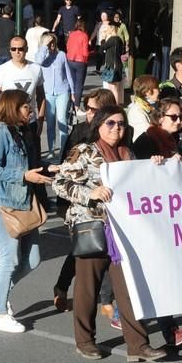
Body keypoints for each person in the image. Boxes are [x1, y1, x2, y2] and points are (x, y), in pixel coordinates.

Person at [53, 105, 167, 361]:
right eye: (111, 123)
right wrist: (89, 194)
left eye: (121, 124)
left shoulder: (128, 153)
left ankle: (138, 345)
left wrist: (158, 165)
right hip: (92, 226)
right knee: (87, 287)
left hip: (124, 230)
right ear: (99, 125)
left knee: (127, 288)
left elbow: (143, 185)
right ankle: (85, 341)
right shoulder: (84, 151)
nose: (117, 128)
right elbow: (60, 183)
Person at [0, 89, 55, 334]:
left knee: (33, 260)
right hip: (2, 205)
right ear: (13, 107)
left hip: (24, 204)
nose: (31, 110)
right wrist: (23, 176)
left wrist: (48, 167)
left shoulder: (22, 131)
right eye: (26, 107)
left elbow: (28, 164)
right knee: (10, 259)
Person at [131, 97, 182, 347]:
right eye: (173, 117)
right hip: (149, 218)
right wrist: (153, 166)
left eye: (180, 116)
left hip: (170, 216)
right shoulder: (146, 141)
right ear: (159, 118)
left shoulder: (170, 141)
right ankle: (168, 329)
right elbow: (135, 175)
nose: (178, 121)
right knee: (156, 273)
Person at [53, 88, 116, 313]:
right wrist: (66, 205)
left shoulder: (120, 133)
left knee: (106, 253)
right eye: (87, 109)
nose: (88, 114)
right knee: (86, 248)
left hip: (113, 209)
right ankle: (98, 299)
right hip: (83, 208)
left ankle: (106, 300)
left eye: (93, 109)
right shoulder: (80, 133)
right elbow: (64, 172)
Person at [0, 35, 45, 146]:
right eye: (13, 49)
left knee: (33, 160)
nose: (17, 52)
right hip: (9, 122)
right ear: (10, 50)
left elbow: (41, 96)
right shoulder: (1, 70)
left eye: (21, 49)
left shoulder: (36, 69)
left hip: (30, 122)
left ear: (26, 49)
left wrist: (40, 119)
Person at [35, 32, 75, 160]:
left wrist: (74, 92)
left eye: (52, 42)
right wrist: (44, 47)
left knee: (62, 120)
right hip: (48, 93)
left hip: (63, 91)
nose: (51, 45)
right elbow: (38, 61)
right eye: (48, 42)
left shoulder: (62, 55)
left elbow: (69, 74)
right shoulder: (41, 56)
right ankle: (51, 150)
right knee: (50, 122)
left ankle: (63, 149)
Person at [127, 74, 160, 141]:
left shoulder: (147, 107)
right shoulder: (136, 110)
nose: (160, 90)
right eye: (157, 88)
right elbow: (150, 132)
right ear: (147, 92)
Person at [66, 20, 90, 109]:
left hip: (70, 60)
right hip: (81, 61)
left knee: (72, 83)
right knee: (79, 85)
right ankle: (76, 106)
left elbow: (67, 46)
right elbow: (85, 51)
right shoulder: (84, 36)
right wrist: (87, 57)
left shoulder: (71, 34)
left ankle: (70, 103)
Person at [99, 24, 125, 104]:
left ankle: (115, 106)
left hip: (112, 66)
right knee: (116, 87)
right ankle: (116, 105)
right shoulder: (119, 40)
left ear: (112, 29)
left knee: (113, 88)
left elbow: (102, 47)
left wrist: (103, 39)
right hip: (118, 65)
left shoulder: (112, 39)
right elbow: (122, 51)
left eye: (107, 29)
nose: (106, 31)